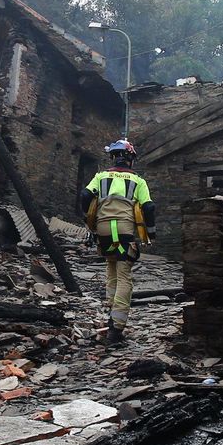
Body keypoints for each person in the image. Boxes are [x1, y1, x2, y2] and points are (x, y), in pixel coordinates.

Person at [79, 138, 157, 345]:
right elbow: (148, 208)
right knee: (124, 277)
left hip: (103, 230)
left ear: (113, 158)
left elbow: (85, 195)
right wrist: (151, 232)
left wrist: (87, 219)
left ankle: (110, 315)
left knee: (111, 269)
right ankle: (116, 330)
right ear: (130, 159)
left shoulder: (101, 176)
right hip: (124, 230)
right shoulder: (138, 181)